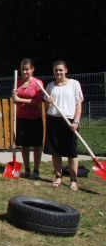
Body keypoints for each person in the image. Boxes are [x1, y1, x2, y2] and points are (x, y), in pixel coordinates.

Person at [44, 60, 84, 191]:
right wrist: (49, 102)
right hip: (54, 120)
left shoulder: (74, 84)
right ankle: (58, 177)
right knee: (55, 151)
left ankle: (73, 180)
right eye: (56, 70)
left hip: (70, 121)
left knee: (71, 152)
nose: (58, 72)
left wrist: (76, 121)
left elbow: (78, 104)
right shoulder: (50, 86)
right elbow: (46, 107)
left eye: (61, 70)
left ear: (66, 70)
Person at [13, 58, 44, 179]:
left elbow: (37, 101)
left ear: (32, 69)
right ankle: (27, 169)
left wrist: (20, 100)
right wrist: (14, 96)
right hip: (21, 118)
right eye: (22, 69)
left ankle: (36, 170)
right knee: (24, 145)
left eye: (27, 69)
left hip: (34, 118)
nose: (24, 72)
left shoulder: (37, 83)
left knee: (36, 145)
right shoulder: (18, 83)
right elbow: (16, 99)